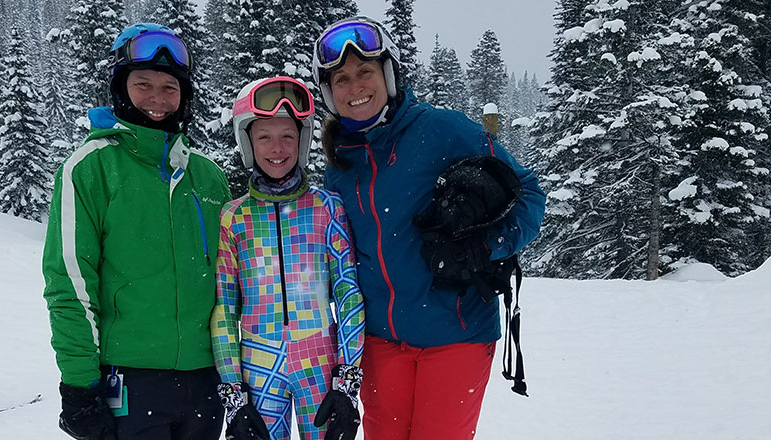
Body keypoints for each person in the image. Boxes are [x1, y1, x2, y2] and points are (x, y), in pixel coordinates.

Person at [311, 16, 547, 440]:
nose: (355, 87)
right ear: (329, 93)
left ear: (388, 74)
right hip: (380, 341)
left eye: (365, 71)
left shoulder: (442, 129)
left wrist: (488, 245)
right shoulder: (341, 163)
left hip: (455, 334)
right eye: (341, 79)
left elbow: (528, 191)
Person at [42, 23, 231, 440]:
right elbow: (70, 286)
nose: (157, 99)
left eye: (170, 87)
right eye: (142, 84)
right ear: (120, 88)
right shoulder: (91, 167)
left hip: (206, 380)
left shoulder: (208, 176)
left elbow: (231, 283)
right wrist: (78, 384)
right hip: (129, 378)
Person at [210, 76, 366, 440]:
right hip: (257, 361)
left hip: (319, 361)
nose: (277, 148)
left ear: (302, 140)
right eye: (264, 136)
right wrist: (233, 392)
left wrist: (347, 379)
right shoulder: (234, 216)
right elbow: (224, 307)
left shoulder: (327, 208)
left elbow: (347, 294)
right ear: (247, 143)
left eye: (288, 136)